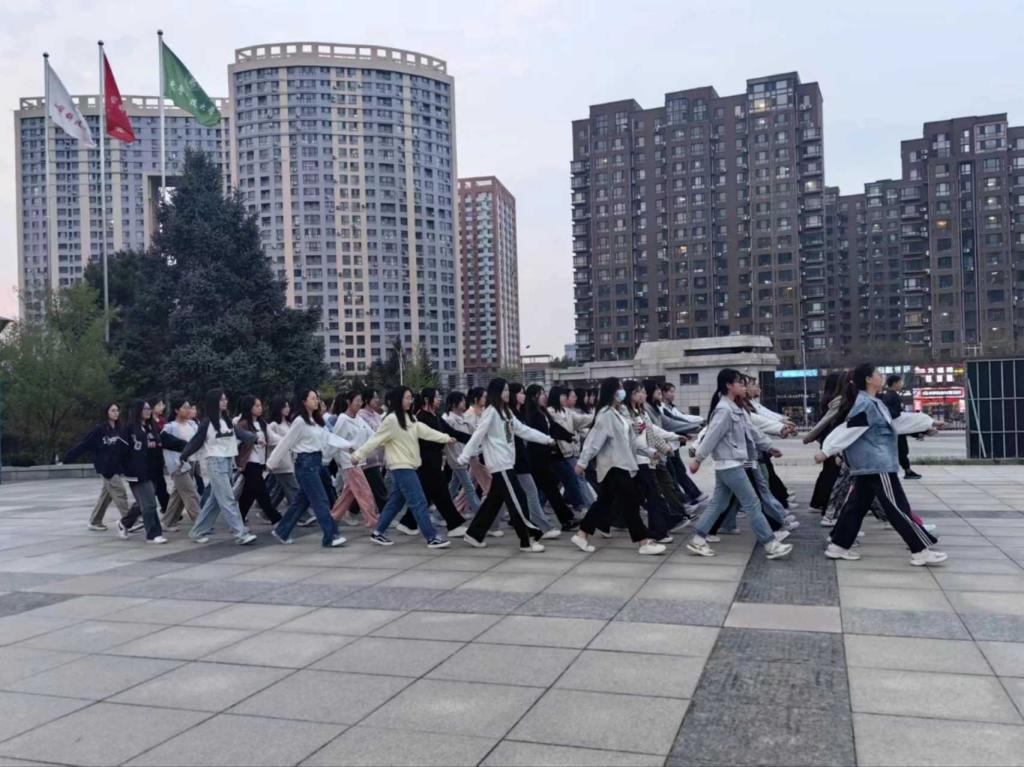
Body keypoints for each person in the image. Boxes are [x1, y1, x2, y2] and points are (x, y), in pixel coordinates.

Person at [816, 364, 947, 566]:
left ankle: (838, 546)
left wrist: (927, 423)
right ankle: (920, 550)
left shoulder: (873, 403)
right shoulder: (866, 404)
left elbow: (896, 423)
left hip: (870, 465)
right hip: (878, 464)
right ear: (868, 379)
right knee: (897, 507)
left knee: (856, 507)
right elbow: (850, 429)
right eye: (878, 373)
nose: (881, 376)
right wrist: (827, 450)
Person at [685, 370, 793, 560]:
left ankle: (698, 539)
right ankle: (770, 543)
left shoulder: (736, 408)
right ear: (729, 385)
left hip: (731, 463)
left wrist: (769, 447)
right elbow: (712, 436)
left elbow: (752, 431)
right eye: (740, 383)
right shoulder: (724, 410)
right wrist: (698, 458)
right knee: (752, 503)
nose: (744, 387)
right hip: (730, 464)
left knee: (719, 503)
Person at [570, 377, 666, 556]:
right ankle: (643, 541)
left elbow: (629, 441)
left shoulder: (619, 412)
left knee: (604, 502)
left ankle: (582, 534)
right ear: (612, 392)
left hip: (622, 463)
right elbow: (593, 441)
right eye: (620, 388)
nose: (623, 391)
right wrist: (582, 463)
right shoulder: (606, 415)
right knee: (631, 503)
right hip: (614, 465)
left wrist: (648, 451)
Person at [457, 378, 555, 552]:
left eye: (508, 390)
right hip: (500, 465)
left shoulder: (506, 412)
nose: (507, 393)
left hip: (507, 463)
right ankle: (527, 540)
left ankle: (474, 534)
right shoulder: (491, 412)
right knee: (518, 500)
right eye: (504, 390)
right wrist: (464, 456)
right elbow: (478, 435)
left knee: (493, 502)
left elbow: (523, 430)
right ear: (496, 392)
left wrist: (546, 439)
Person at [351, 386, 454, 549]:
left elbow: (425, 431)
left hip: (409, 466)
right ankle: (431, 537)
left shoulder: (410, 418)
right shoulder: (391, 420)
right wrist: (358, 455)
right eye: (407, 397)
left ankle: (378, 532)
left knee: (395, 502)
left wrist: (446, 438)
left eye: (411, 397)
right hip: (401, 466)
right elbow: (375, 439)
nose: (410, 400)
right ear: (399, 399)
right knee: (419, 501)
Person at [265, 389, 349, 548]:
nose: (316, 401)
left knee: (301, 502)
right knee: (321, 499)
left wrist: (349, 446)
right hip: (305, 464)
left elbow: (330, 438)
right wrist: (271, 463)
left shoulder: (316, 421)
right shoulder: (299, 422)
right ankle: (330, 536)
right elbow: (286, 443)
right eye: (313, 398)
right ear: (304, 402)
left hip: (316, 463)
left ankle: (282, 531)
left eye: (317, 398)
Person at [178, 389, 259, 546]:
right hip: (215, 462)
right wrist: (183, 456)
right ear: (214, 402)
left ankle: (197, 531)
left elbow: (241, 434)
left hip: (228, 462)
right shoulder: (207, 423)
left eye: (225, 399)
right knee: (228, 499)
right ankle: (240, 533)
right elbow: (196, 442)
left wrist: (256, 438)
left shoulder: (227, 422)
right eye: (221, 399)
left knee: (215, 501)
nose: (225, 402)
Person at [394, 387, 470, 537]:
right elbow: (426, 439)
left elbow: (451, 432)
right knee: (441, 493)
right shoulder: (421, 417)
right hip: (426, 461)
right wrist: (444, 439)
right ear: (427, 399)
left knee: (426, 494)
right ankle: (454, 525)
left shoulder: (435, 416)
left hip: (435, 459)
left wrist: (473, 439)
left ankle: (407, 523)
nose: (439, 399)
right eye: (436, 397)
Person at [64, 403, 131, 532]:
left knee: (107, 494)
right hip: (105, 467)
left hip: (116, 466)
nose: (116, 413)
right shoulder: (99, 429)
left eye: (117, 410)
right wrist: (69, 457)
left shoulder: (119, 429)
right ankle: (129, 521)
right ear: (106, 412)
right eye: (113, 410)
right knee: (120, 492)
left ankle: (94, 521)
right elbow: (85, 444)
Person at [523, 384, 580, 531]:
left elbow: (553, 428)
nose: (544, 396)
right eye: (541, 394)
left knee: (546, 490)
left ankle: (566, 519)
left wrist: (568, 436)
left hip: (545, 457)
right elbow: (534, 435)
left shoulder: (542, 411)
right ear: (534, 396)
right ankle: (566, 519)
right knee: (547, 490)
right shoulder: (531, 414)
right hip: (537, 458)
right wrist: (549, 441)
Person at [510, 383, 562, 538]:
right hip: (514, 460)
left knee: (497, 498)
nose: (523, 395)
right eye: (520, 393)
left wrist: (547, 439)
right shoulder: (510, 413)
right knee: (530, 492)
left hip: (519, 459)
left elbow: (527, 432)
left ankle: (479, 531)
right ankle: (544, 527)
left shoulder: (519, 413)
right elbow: (524, 434)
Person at [116, 399, 167, 543]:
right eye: (145, 409)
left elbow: (163, 442)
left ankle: (124, 523)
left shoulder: (151, 428)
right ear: (137, 410)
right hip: (138, 473)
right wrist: (124, 469)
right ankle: (153, 534)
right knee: (150, 504)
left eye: (149, 409)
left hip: (153, 471)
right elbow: (120, 452)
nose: (148, 411)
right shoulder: (129, 429)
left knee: (143, 503)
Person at [330, 391, 380, 527]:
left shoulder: (358, 419)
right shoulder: (342, 419)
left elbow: (372, 435)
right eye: (357, 401)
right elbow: (335, 441)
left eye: (360, 401)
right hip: (349, 462)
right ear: (348, 402)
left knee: (348, 493)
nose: (359, 403)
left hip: (358, 461)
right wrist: (335, 460)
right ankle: (373, 520)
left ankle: (333, 517)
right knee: (364, 492)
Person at [548, 386, 598, 512]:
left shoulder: (567, 411)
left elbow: (580, 420)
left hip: (570, 451)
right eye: (564, 395)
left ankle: (569, 502)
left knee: (558, 481)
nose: (566, 398)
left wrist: (598, 416)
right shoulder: (550, 412)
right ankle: (588, 505)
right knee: (577, 477)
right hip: (560, 452)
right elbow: (560, 429)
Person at [235, 395, 281, 525]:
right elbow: (238, 442)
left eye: (260, 405)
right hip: (249, 462)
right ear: (249, 407)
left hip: (260, 462)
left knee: (249, 492)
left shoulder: (262, 423)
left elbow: (273, 438)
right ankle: (275, 517)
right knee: (261, 491)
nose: (260, 408)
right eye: (256, 406)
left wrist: (287, 441)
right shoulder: (242, 424)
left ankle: (238, 519)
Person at [160, 396, 201, 531]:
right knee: (191, 494)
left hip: (192, 463)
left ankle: (167, 522)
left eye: (189, 407)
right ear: (177, 410)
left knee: (178, 495)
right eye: (185, 407)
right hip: (178, 466)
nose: (188, 410)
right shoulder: (169, 427)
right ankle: (201, 525)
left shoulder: (193, 425)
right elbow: (166, 444)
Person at [443, 392, 483, 518]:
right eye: (461, 400)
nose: (464, 402)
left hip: (463, 458)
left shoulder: (464, 420)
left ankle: (439, 514)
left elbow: (474, 435)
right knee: (469, 488)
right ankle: (481, 517)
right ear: (453, 404)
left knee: (453, 488)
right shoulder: (449, 420)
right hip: (456, 459)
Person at [881, 374, 922, 480]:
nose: (902, 384)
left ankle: (907, 471)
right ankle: (903, 472)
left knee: (902, 451)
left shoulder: (891, 395)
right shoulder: (891, 396)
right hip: (896, 428)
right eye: (900, 382)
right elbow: (890, 412)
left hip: (898, 428)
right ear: (895, 383)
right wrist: (899, 414)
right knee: (901, 451)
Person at [357, 389, 390, 510]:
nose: (377, 400)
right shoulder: (360, 416)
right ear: (366, 400)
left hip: (378, 457)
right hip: (368, 458)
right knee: (380, 489)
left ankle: (352, 510)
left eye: (377, 397)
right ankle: (385, 514)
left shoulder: (377, 416)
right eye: (374, 397)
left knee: (362, 488)